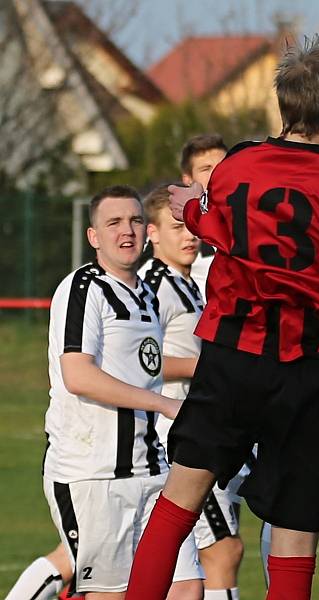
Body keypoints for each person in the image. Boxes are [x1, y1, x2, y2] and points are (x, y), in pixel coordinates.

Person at [126, 32, 319, 600]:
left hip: (231, 361)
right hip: (308, 371)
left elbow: (218, 227)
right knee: (295, 539)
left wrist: (192, 210)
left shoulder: (237, 166)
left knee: (177, 506)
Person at [43, 185, 202, 599]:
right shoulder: (83, 288)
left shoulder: (146, 294)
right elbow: (78, 375)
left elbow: (150, 366)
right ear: (94, 236)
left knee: (187, 589)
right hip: (93, 475)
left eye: (133, 220)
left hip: (151, 469)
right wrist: (165, 403)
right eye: (113, 223)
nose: (126, 231)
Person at [139, 185, 245, 600]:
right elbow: (142, 362)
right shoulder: (154, 285)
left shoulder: (186, 283)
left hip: (204, 423)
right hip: (176, 434)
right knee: (222, 550)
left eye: (190, 227)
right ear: (152, 233)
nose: (189, 236)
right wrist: (211, 368)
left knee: (192, 576)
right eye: (176, 227)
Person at [178, 134, 228, 296]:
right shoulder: (176, 228)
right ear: (188, 180)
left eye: (223, 165)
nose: (217, 173)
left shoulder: (253, 216)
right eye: (206, 169)